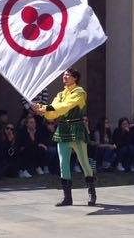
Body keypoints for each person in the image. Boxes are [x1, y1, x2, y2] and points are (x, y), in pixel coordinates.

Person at [36, 69, 97, 207]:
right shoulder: (60, 94)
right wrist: (42, 110)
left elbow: (64, 107)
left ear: (75, 78)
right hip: (63, 129)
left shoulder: (80, 92)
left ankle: (92, 193)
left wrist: (45, 108)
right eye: (64, 74)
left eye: (68, 74)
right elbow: (53, 114)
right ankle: (67, 198)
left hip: (76, 128)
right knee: (63, 164)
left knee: (84, 163)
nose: (64, 76)